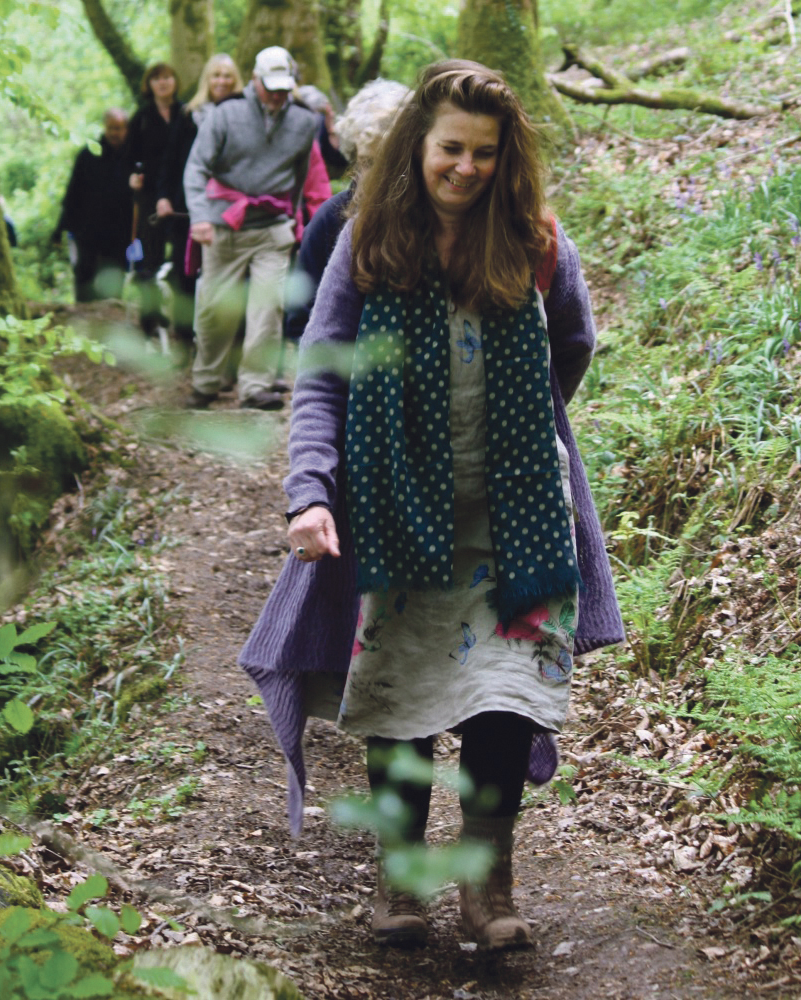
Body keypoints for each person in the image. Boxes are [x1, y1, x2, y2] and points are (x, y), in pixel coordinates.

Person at [239, 60, 623, 951]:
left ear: (506, 156)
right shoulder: (368, 240)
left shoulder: (534, 242)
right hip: (395, 513)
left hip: (516, 516)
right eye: (451, 148)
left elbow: (575, 342)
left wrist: (523, 425)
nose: (466, 168)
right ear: (419, 145)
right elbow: (323, 374)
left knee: (506, 699)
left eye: (485, 153)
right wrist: (311, 492)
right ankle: (401, 880)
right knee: (400, 694)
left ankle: (488, 889)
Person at [183, 46, 321, 411]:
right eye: (270, 86)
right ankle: (206, 381)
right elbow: (196, 168)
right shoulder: (225, 114)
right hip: (224, 223)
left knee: (268, 306)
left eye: (283, 87)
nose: (277, 94)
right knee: (215, 308)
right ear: (255, 80)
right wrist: (199, 217)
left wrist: (294, 219)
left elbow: (300, 174)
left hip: (271, 227)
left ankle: (255, 385)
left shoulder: (306, 121)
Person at [283, 79, 412, 345]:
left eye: (392, 160)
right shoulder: (331, 218)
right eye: (369, 162)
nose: (380, 174)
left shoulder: (439, 213)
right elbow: (300, 319)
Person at [157, 54, 244, 348]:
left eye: (227, 75)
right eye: (216, 75)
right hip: (188, 206)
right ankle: (183, 338)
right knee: (186, 273)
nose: (222, 81)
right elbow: (169, 159)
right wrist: (164, 196)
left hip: (230, 207)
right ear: (207, 78)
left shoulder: (245, 114)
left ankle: (230, 343)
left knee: (230, 277)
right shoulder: (188, 114)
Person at [123, 63, 182, 339]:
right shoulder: (142, 118)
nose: (162, 83)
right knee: (150, 259)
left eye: (167, 77)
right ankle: (150, 319)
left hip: (181, 195)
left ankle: (183, 322)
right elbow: (128, 158)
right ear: (149, 84)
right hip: (148, 198)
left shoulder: (186, 112)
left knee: (182, 257)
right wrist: (133, 177)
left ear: (175, 81)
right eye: (157, 79)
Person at [53, 109, 133, 302]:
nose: (115, 133)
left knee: (115, 269)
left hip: (120, 227)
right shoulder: (88, 155)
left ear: (127, 129)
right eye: (111, 128)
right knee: (85, 269)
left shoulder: (133, 155)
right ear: (105, 128)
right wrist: (61, 227)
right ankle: (83, 308)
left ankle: (113, 306)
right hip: (88, 227)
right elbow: (73, 193)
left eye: (120, 128)